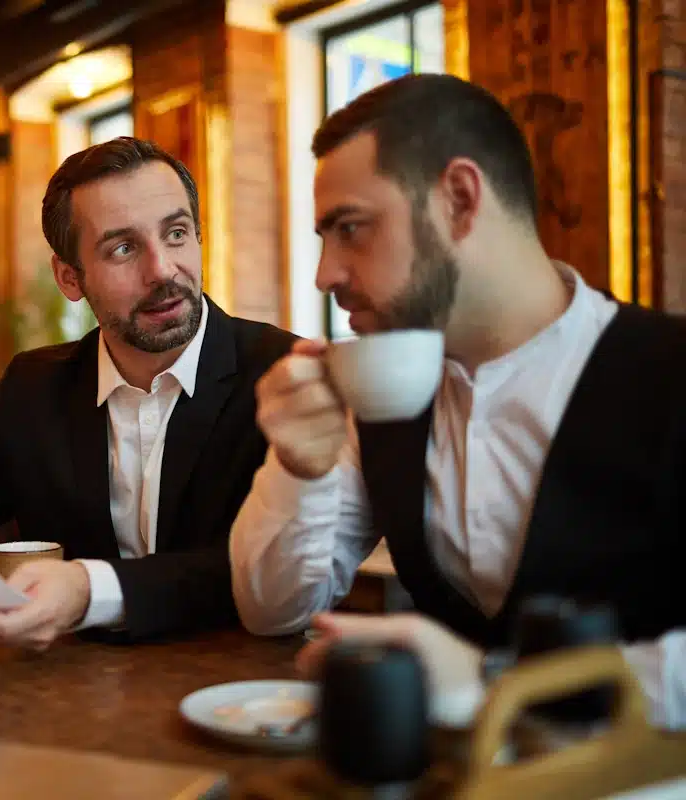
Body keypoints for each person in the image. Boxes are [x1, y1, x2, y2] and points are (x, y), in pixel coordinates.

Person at [229, 74, 685, 728]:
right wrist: (298, 470)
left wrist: (492, 683)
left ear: (461, 199)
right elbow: (271, 611)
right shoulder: (382, 393)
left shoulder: (670, 373)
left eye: (351, 228)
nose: (324, 273)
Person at [0, 137, 298, 649]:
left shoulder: (284, 375)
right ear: (70, 277)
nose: (162, 270)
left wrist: (90, 591)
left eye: (176, 234)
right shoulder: (34, 388)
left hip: (245, 696)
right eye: (123, 248)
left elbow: (269, 573)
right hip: (74, 700)